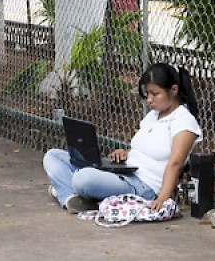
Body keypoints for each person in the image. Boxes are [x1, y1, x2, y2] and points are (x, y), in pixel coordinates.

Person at [43, 63, 203, 214]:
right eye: (147, 93)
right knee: (53, 156)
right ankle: (70, 198)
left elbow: (175, 164)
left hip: (142, 186)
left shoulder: (184, 121)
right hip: (124, 171)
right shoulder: (153, 116)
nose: (149, 100)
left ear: (173, 90)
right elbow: (144, 149)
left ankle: (65, 189)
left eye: (155, 94)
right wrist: (125, 153)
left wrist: (162, 199)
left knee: (83, 178)